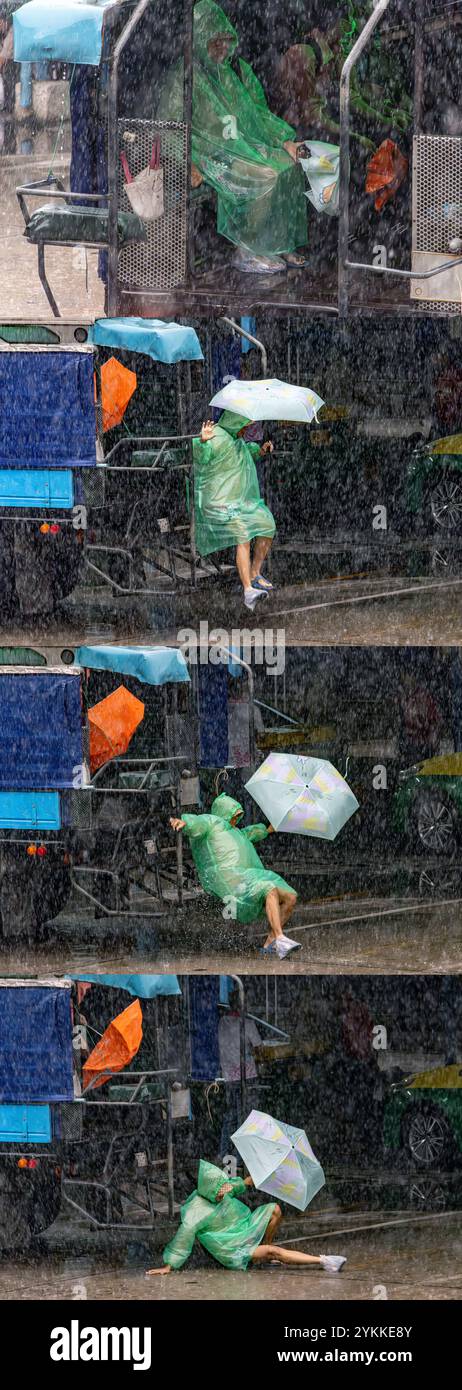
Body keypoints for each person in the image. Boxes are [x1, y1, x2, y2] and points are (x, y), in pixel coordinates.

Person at [155, 0, 308, 273]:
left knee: (288, 167)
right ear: (201, 38)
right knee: (263, 177)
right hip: (209, 154)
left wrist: (283, 141)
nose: (224, 48)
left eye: (227, 41)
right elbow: (169, 127)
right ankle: (246, 248)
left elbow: (256, 114)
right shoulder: (184, 75)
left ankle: (275, 243)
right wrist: (187, 161)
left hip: (240, 146)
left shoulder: (232, 72)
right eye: (217, 42)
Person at [146, 1159, 346, 1275]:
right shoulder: (195, 1212)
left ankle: (262, 1255)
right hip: (232, 1247)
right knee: (272, 1251)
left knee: (274, 1209)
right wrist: (168, 1266)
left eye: (224, 1190)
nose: (223, 1194)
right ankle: (324, 1261)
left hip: (245, 1227)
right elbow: (182, 1239)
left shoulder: (220, 1189)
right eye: (220, 1192)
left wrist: (269, 1169)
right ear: (209, 1191)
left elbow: (245, 1182)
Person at [169, 792, 300, 957]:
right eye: (234, 815)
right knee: (269, 889)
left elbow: (252, 832)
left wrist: (270, 828)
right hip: (231, 880)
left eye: (238, 816)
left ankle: (271, 941)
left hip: (249, 876)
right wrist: (184, 822)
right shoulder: (212, 822)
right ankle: (280, 938)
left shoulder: (238, 832)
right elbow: (197, 822)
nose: (236, 820)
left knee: (290, 897)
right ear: (224, 812)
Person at [193, 413, 276, 609]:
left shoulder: (236, 440)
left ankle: (255, 573)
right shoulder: (217, 435)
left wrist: (261, 451)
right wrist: (203, 442)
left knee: (267, 523)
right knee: (243, 533)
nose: (246, 430)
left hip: (239, 503)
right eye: (245, 425)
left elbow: (246, 452)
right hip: (218, 504)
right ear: (236, 421)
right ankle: (248, 590)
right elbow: (201, 458)